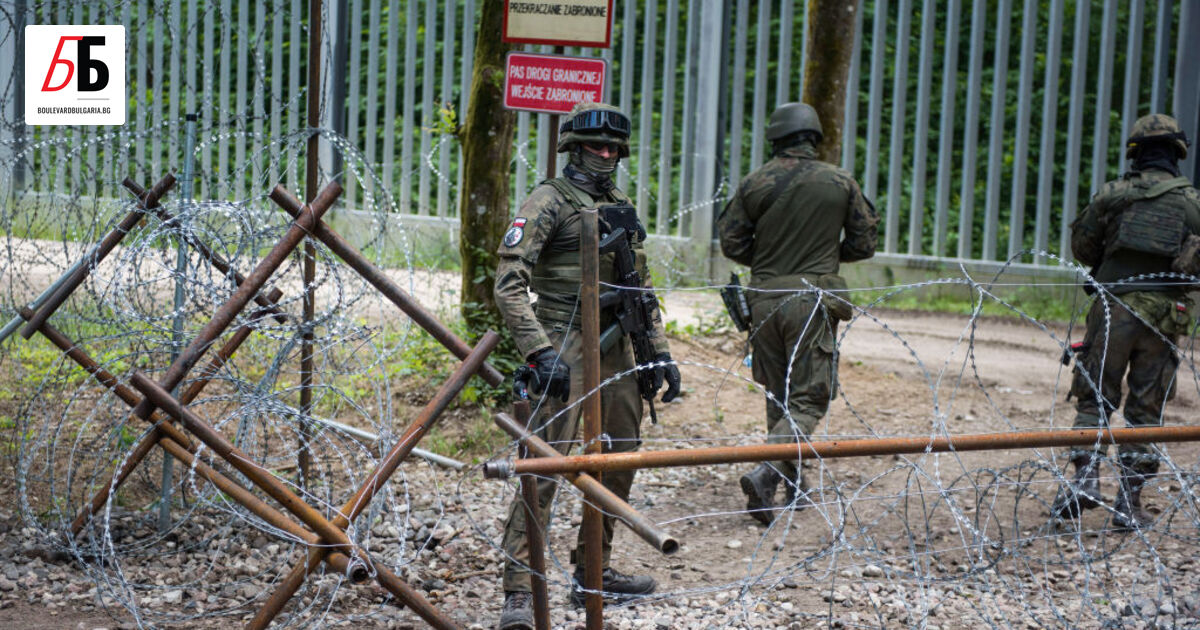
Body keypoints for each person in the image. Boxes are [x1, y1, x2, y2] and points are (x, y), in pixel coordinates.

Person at [492, 102, 681, 629]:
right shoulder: (548, 201)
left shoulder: (620, 203)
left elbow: (641, 289)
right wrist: (539, 349)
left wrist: (658, 352)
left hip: (619, 343)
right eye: (597, 146)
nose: (607, 155)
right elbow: (508, 283)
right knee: (545, 466)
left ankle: (592, 572)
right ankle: (519, 590)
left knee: (620, 458)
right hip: (564, 338)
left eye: (614, 148)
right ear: (574, 147)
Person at [717, 102, 878, 526]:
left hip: (765, 299)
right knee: (810, 395)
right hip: (812, 298)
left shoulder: (755, 183)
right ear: (814, 138)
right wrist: (824, 255)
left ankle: (791, 483)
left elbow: (732, 243)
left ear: (775, 138)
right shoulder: (839, 181)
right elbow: (864, 243)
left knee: (779, 391)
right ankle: (769, 469)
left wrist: (771, 257)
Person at [1053, 113, 1199, 529]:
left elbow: (1083, 247)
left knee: (1094, 396)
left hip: (1113, 307)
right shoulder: (1192, 203)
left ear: (1135, 153)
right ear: (1178, 152)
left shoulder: (1113, 195)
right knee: (1145, 410)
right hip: (1166, 317)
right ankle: (1129, 505)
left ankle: (1085, 481)